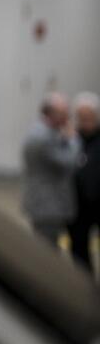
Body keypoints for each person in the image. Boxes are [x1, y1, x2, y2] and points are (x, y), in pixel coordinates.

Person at [21, 93, 82, 245]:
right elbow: (68, 161)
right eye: (64, 114)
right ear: (51, 114)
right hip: (48, 206)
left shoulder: (43, 131)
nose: (68, 118)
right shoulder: (43, 137)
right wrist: (74, 139)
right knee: (47, 250)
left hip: (44, 203)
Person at [69, 92, 100, 273]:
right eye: (81, 118)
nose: (85, 122)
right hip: (78, 206)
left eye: (89, 117)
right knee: (79, 250)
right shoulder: (71, 139)